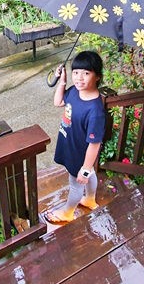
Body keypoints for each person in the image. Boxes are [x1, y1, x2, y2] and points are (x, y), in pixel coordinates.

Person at [44, 51, 106, 224]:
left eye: (86, 73)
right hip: (70, 144)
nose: (79, 78)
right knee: (89, 175)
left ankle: (68, 212)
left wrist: (85, 168)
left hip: (81, 152)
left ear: (98, 77)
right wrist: (62, 81)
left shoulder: (95, 111)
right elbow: (58, 102)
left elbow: (95, 143)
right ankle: (90, 199)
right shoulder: (74, 91)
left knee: (76, 182)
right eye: (76, 72)